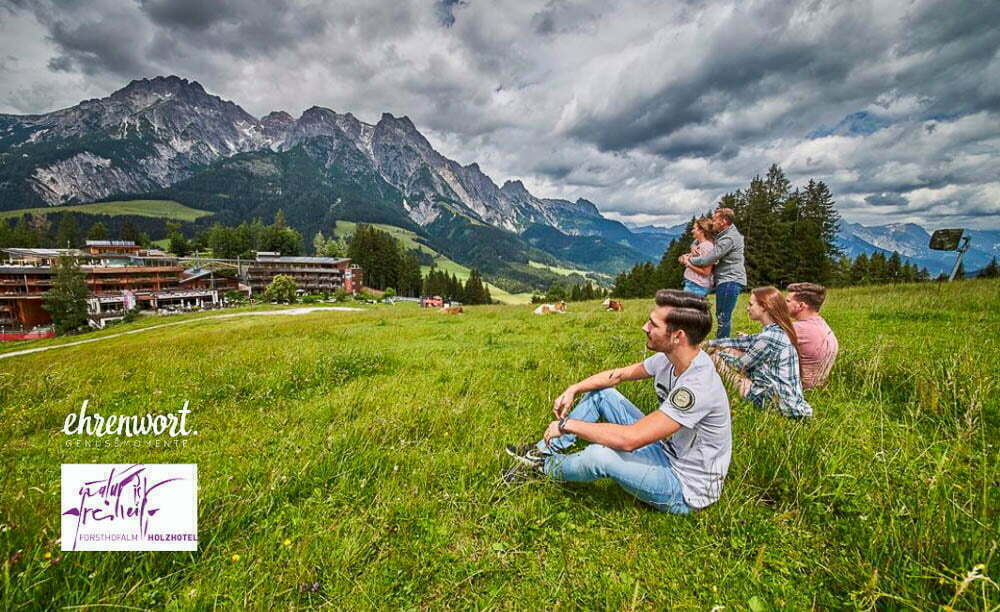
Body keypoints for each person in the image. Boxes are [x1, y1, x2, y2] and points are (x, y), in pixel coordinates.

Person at [506, 290, 732, 514]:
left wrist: (566, 425)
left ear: (678, 336)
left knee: (599, 455)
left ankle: (541, 469)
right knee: (604, 394)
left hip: (683, 486)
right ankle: (540, 451)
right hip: (667, 449)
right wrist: (573, 389)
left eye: (653, 324)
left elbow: (629, 440)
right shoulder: (671, 358)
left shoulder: (698, 385)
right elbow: (619, 375)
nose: (645, 327)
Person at [705, 286, 812, 418]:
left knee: (715, 359)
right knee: (726, 352)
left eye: (751, 304)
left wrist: (717, 354)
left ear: (764, 307)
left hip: (777, 405)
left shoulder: (768, 337)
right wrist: (711, 343)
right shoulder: (776, 331)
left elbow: (739, 365)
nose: (747, 308)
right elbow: (744, 342)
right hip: (789, 401)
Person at [681, 207, 746, 338]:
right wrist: (694, 247)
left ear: (724, 221)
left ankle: (722, 344)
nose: (712, 222)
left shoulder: (729, 238)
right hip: (724, 280)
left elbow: (709, 258)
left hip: (730, 280)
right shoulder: (721, 233)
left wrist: (689, 260)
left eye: (715, 219)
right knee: (720, 314)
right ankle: (719, 342)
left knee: (723, 316)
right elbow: (701, 238)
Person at [785, 282, 839, 389]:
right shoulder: (824, 326)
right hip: (817, 387)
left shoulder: (797, 328)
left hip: (796, 387)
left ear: (800, 306)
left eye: (788, 301)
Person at [681, 217, 716, 298]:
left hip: (696, 286)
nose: (692, 231)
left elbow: (706, 272)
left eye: (694, 228)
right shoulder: (699, 246)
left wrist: (688, 264)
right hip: (693, 285)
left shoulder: (707, 247)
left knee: (689, 310)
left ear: (701, 230)